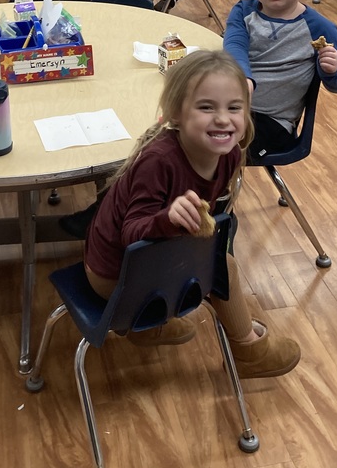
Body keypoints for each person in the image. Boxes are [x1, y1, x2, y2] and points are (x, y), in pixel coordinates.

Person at [84, 49, 301, 378]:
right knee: (222, 264)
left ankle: (151, 325)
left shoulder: (228, 154)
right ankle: (249, 351)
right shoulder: (158, 162)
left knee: (215, 257)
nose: (223, 119)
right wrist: (167, 219)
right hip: (115, 277)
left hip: (152, 262)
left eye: (234, 108)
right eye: (206, 107)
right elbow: (131, 234)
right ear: (176, 114)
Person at [224, 0, 337, 159]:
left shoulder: (319, 28)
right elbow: (234, 46)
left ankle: (216, 191)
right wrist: (244, 77)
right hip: (232, 109)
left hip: (273, 123)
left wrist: (332, 71)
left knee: (207, 143)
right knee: (180, 129)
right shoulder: (243, 12)